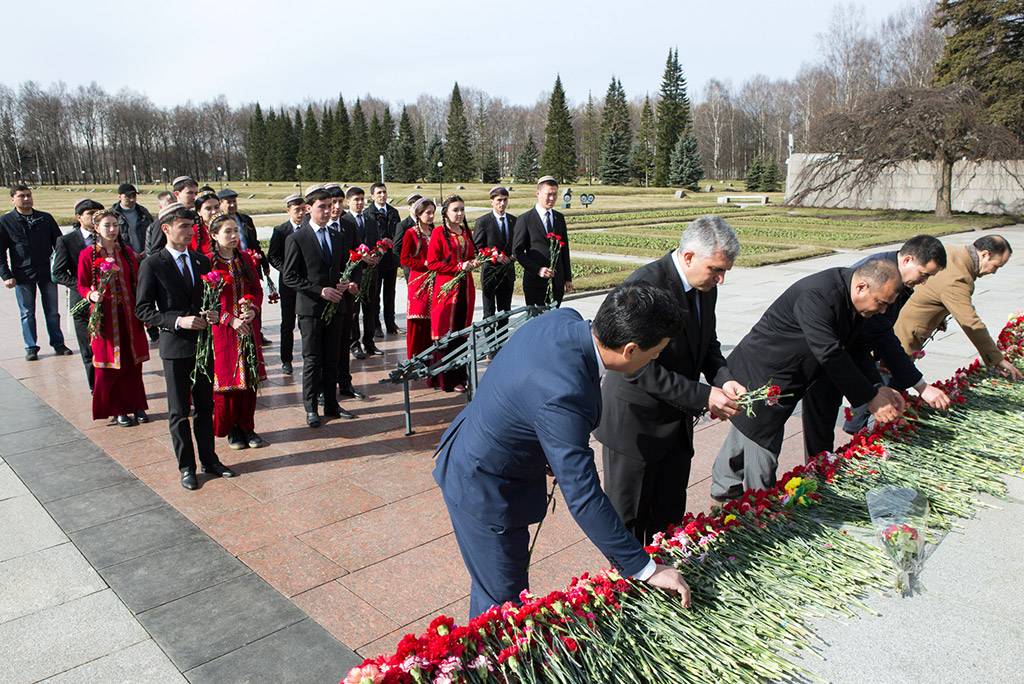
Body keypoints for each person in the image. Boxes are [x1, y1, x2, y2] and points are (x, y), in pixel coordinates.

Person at [433, 282, 692, 619]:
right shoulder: (563, 396)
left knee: (493, 587)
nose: (656, 358)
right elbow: (584, 497)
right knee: (502, 606)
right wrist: (646, 569)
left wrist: (545, 441)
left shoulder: (565, 320)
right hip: (484, 486)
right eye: (655, 352)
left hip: (488, 451)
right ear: (630, 350)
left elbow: (526, 391)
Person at [595, 216, 744, 544]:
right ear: (689, 256)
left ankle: (667, 580)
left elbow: (708, 344)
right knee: (629, 521)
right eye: (716, 270)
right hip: (636, 426)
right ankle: (630, 591)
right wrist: (703, 396)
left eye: (724, 272)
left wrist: (725, 379)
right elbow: (635, 366)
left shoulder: (703, 286)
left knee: (668, 518)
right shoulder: (646, 285)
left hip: (675, 422)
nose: (720, 280)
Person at [710, 259, 907, 500]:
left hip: (787, 374)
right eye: (881, 303)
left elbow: (856, 348)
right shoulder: (819, 294)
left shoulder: (853, 298)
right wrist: (869, 398)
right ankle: (758, 509)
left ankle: (724, 490)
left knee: (747, 434)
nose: (883, 311)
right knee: (763, 443)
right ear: (862, 287)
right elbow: (830, 352)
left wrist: (876, 387)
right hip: (762, 373)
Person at [803, 235, 951, 457]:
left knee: (856, 398)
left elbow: (878, 332)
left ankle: (822, 465)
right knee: (818, 413)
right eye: (924, 274)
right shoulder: (882, 276)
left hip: (851, 347)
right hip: (826, 350)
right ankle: (818, 471)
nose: (924, 282)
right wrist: (921, 387)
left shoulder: (899, 278)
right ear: (908, 260)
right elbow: (881, 332)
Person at [136, 203, 237, 490]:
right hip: (175, 346)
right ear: (166, 229)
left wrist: (214, 313)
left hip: (203, 347)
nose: (189, 230)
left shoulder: (201, 261)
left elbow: (209, 298)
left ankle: (209, 460)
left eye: (191, 225)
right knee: (179, 411)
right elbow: (143, 310)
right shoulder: (153, 264)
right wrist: (179, 321)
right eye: (182, 226)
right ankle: (187, 467)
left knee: (205, 407)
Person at [894, 234, 1022, 382]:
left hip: (896, 323)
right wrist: (996, 359)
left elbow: (934, 290)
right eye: (996, 266)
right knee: (890, 388)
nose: (993, 272)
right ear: (985, 255)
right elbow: (971, 323)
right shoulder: (959, 279)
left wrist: (939, 315)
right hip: (902, 338)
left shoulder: (950, 252)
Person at [282, 185, 357, 428]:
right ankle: (311, 407)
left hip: (336, 307)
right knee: (312, 360)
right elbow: (289, 276)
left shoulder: (338, 236)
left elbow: (341, 267)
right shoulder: (297, 238)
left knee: (333, 358)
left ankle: (332, 404)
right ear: (308, 209)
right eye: (322, 207)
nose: (328, 211)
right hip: (311, 309)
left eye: (330, 206)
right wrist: (319, 290)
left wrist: (346, 283)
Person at [78, 208, 150, 427]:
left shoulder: (126, 252)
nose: (112, 230)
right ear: (96, 228)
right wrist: (91, 294)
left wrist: (144, 312)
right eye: (107, 225)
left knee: (132, 362)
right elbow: (81, 284)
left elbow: (137, 282)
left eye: (115, 225)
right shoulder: (87, 255)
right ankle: (118, 409)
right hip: (106, 319)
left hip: (129, 316)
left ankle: (137, 404)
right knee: (110, 364)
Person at [206, 214, 267, 449]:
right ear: (214, 235)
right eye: (227, 232)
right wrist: (228, 319)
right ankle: (230, 427)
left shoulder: (245, 260)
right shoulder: (208, 263)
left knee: (249, 379)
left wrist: (253, 308)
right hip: (223, 331)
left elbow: (256, 289)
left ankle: (247, 426)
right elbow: (205, 301)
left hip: (247, 327)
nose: (233, 236)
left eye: (235, 231)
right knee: (227, 381)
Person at [0, 185, 74, 360]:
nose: (26, 199)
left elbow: (59, 245)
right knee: (27, 313)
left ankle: (58, 343)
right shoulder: (6, 222)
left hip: (47, 273)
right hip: (22, 274)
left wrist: (65, 267)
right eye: (21, 196)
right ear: (13, 200)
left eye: (28, 195)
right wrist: (6, 275)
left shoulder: (44, 218)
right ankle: (31, 346)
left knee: (52, 311)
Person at [426, 195, 478, 393]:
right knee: (445, 333)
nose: (460, 214)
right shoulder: (439, 233)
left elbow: (471, 254)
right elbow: (432, 263)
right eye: (455, 210)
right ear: (446, 212)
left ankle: (460, 375)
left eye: (462, 210)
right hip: (446, 290)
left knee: (461, 332)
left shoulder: (466, 231)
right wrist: (458, 266)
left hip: (465, 289)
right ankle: (444, 378)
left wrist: (474, 262)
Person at [53, 198, 102, 390]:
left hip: (106, 300)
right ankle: (95, 388)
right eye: (90, 213)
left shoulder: (108, 239)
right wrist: (84, 287)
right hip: (82, 302)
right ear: (79, 217)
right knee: (89, 349)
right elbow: (58, 273)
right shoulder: (66, 241)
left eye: (98, 213)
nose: (94, 217)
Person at [218, 188, 271, 346]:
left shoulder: (245, 220)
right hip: (225, 323)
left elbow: (255, 243)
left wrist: (263, 263)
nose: (232, 205)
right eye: (229, 202)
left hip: (247, 265)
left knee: (251, 298)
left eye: (234, 201)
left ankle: (257, 333)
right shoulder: (210, 260)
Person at [513, 176, 572, 306]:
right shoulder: (525, 219)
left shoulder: (559, 218)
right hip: (535, 283)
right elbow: (517, 252)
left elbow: (564, 249)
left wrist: (568, 278)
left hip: (557, 282)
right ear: (538, 193)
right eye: (548, 194)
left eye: (555, 194)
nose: (552, 198)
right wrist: (538, 270)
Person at [339, 186, 382, 358]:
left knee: (371, 308)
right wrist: (361, 258)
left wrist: (377, 254)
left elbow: (376, 242)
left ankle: (370, 342)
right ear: (348, 202)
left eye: (362, 199)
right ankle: (354, 344)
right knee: (354, 311)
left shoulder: (370, 221)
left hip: (371, 271)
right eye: (356, 199)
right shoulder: (345, 221)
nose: (360, 202)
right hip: (354, 273)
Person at [267, 194, 306, 375]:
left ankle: (308, 355)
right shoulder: (281, 230)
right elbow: (273, 255)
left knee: (306, 322)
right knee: (287, 323)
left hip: (306, 282)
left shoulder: (309, 228)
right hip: (289, 283)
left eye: (303, 209)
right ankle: (286, 360)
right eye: (296, 210)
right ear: (288, 210)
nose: (300, 213)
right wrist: (287, 270)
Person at [472, 185, 517, 324]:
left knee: (505, 311)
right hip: (490, 273)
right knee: (489, 312)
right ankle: (491, 343)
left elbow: (518, 244)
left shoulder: (513, 221)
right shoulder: (483, 222)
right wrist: (494, 257)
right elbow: (477, 248)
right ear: (491, 201)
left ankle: (502, 342)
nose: (502, 203)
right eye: (499, 200)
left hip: (507, 273)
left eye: (505, 200)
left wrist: (513, 256)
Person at [399, 197, 436, 365]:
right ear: (419, 214)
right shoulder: (411, 233)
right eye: (427, 213)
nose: (431, 216)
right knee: (418, 317)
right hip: (419, 279)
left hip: (434, 280)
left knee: (432, 318)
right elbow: (405, 259)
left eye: (433, 213)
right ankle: (415, 356)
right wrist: (424, 264)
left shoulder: (435, 231)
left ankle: (430, 353)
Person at [366, 182, 402, 336]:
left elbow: (398, 232)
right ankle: (375, 325)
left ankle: (391, 323)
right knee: (375, 294)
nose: (382, 195)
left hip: (391, 260)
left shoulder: (393, 212)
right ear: (373, 196)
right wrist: (381, 242)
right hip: (376, 260)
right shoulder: (369, 213)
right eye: (379, 193)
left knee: (390, 293)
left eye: (384, 192)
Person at [148, 177, 202, 255]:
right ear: (177, 194)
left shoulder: (196, 215)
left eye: (196, 193)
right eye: (189, 193)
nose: (194, 197)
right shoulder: (167, 216)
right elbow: (156, 249)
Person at [110, 183, 154, 260]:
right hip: (123, 258)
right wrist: (128, 252)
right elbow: (110, 239)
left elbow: (153, 232)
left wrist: (147, 249)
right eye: (128, 197)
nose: (132, 199)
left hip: (145, 257)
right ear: (119, 197)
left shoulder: (143, 212)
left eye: (134, 196)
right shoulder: (112, 214)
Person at [393, 193, 423, 281]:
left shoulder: (428, 224)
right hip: (411, 267)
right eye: (415, 207)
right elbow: (396, 247)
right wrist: (404, 263)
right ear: (409, 208)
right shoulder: (403, 225)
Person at [144, 191, 175, 258]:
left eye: (175, 203)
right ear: (160, 207)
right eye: (170, 204)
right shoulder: (160, 222)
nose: (173, 207)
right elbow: (156, 248)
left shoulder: (173, 219)